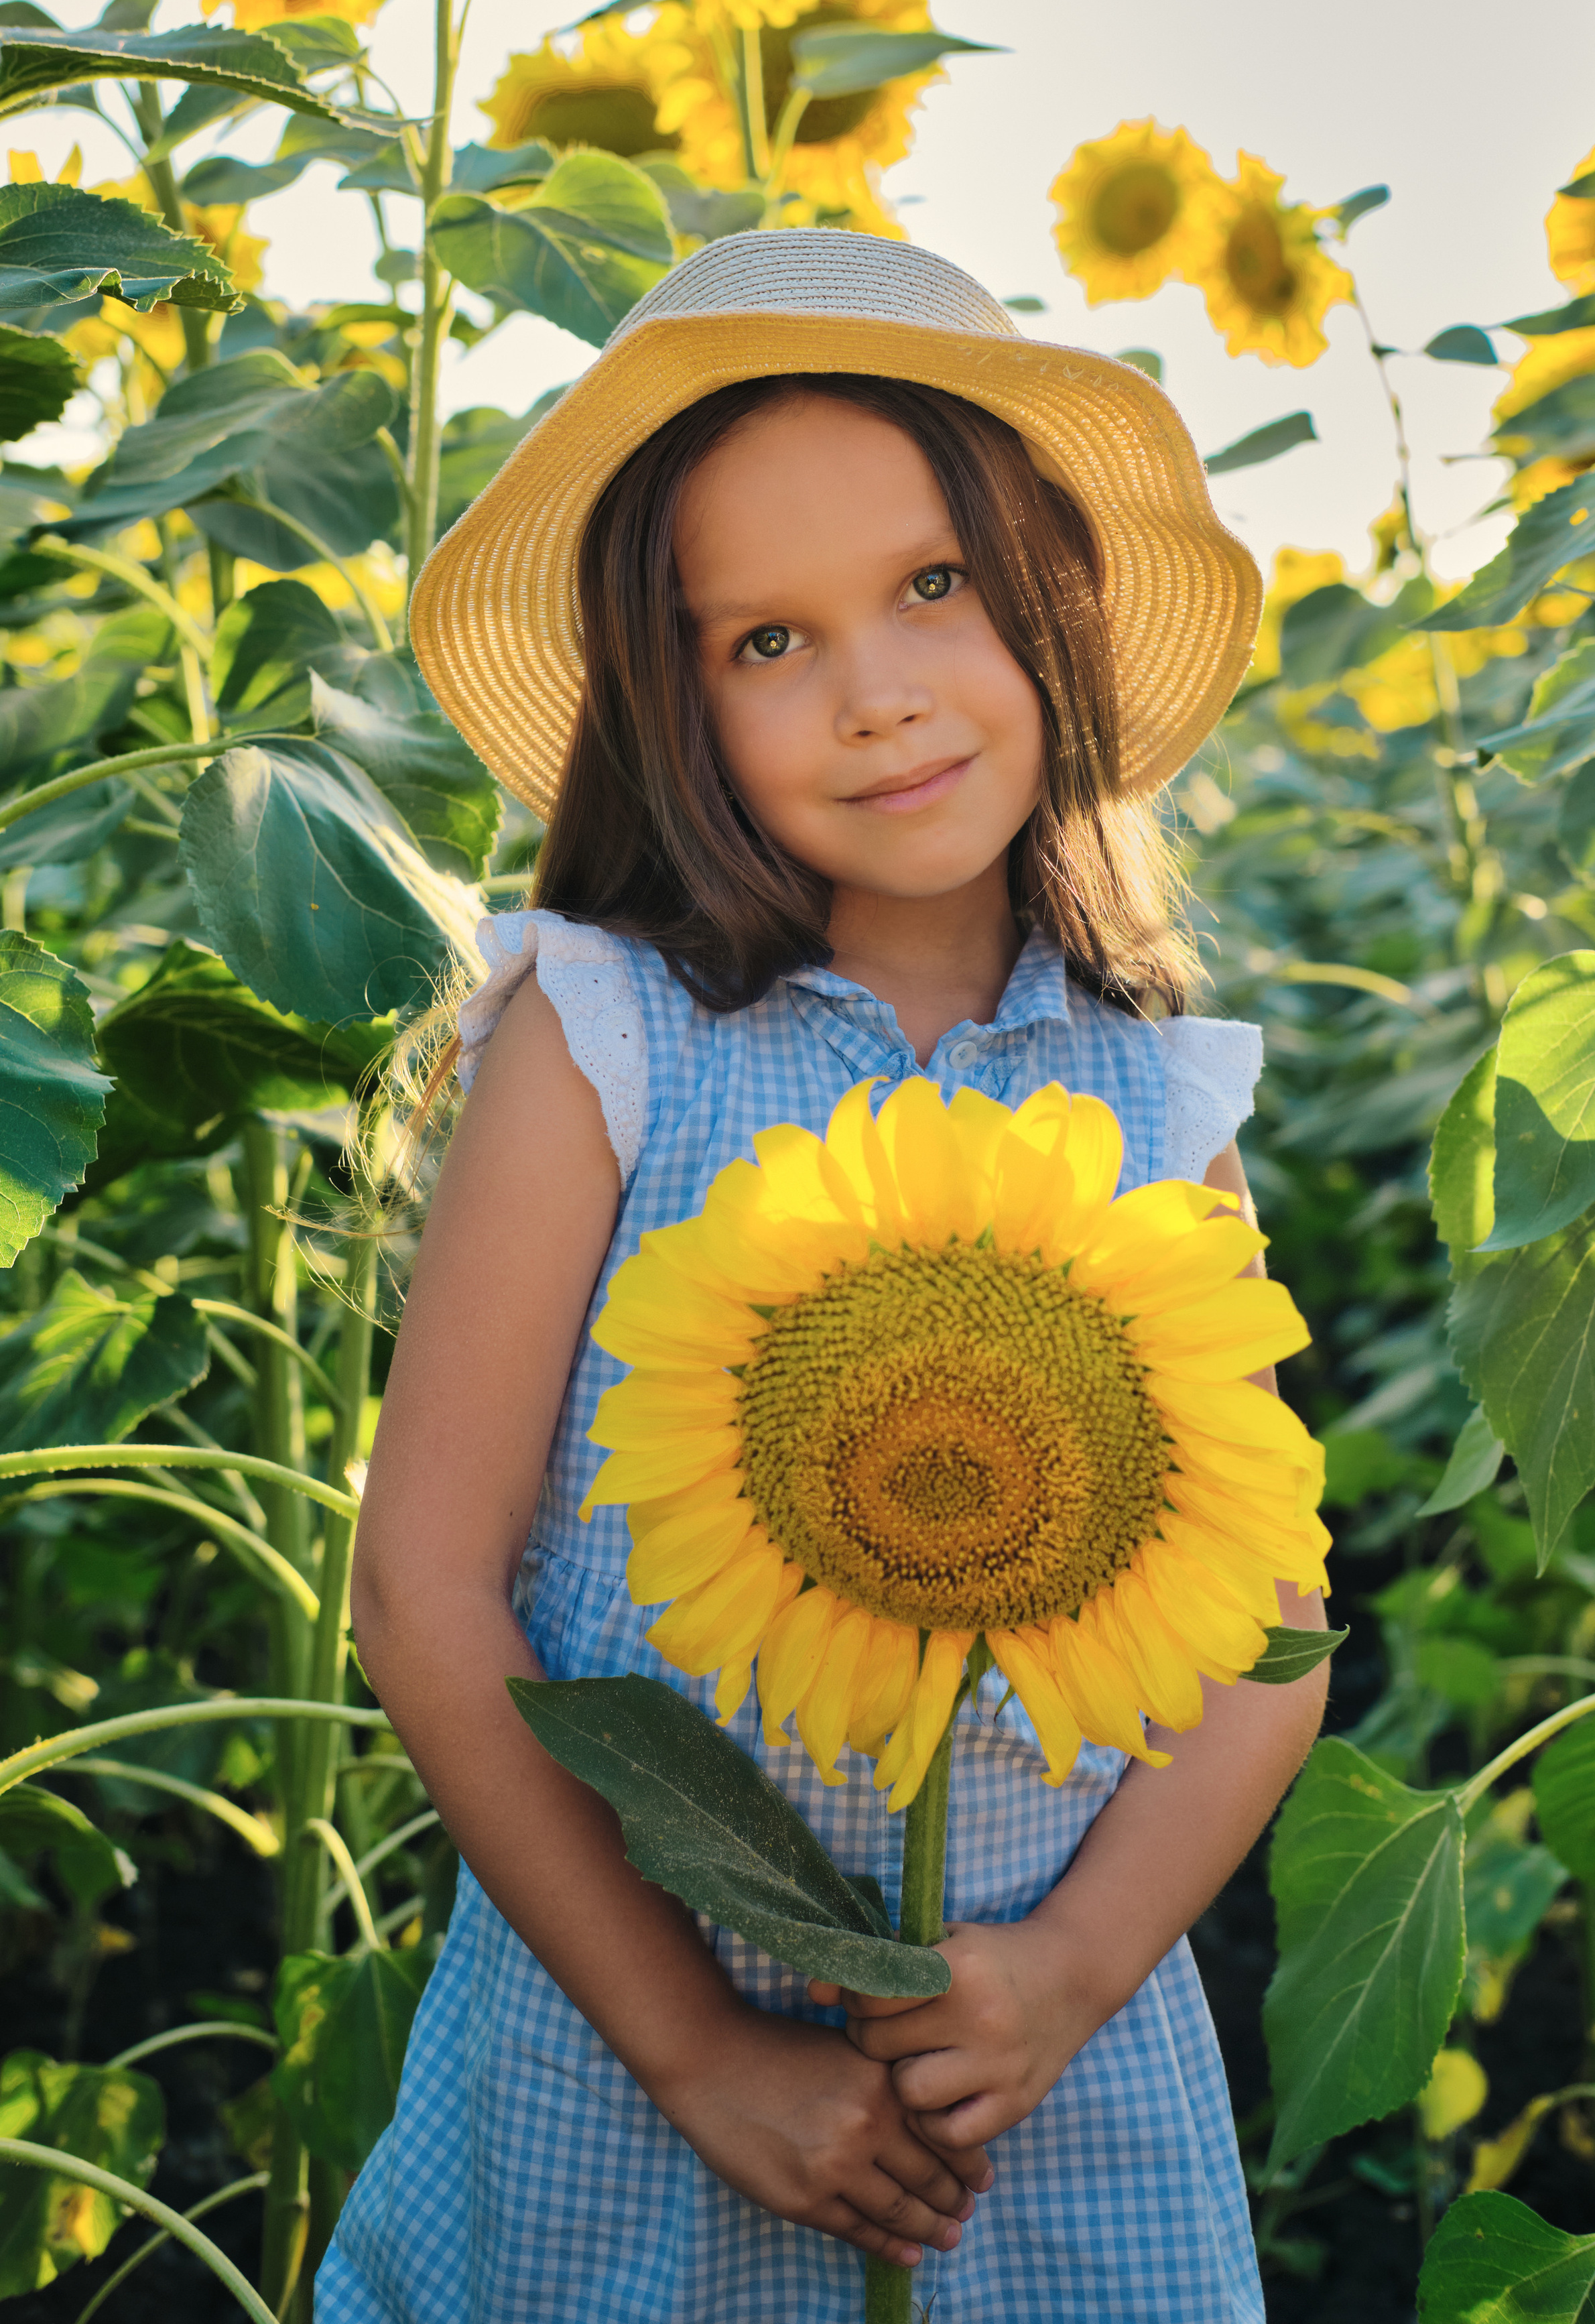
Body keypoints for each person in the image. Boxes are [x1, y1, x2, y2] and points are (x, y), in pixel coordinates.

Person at [318, 229, 1330, 2324]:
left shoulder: (1155, 1092)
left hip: (1023, 2090)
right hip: (626, 2049)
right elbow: (427, 1583)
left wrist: (1068, 1969)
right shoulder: (606, 1037)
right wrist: (701, 2049)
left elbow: (1271, 1624)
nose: (876, 692)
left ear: (1047, 592)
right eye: (766, 642)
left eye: (931, 587)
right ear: (669, 702)